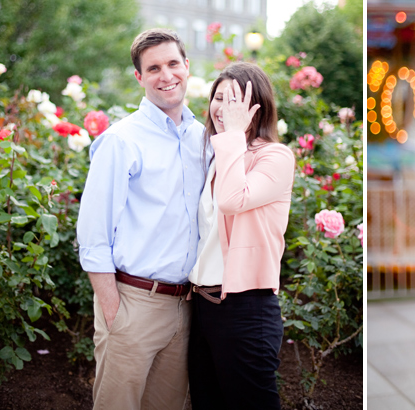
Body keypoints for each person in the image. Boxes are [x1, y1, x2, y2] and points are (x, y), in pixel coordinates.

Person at [76, 29, 205, 409]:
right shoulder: (122, 140)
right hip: (133, 302)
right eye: (153, 68)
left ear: (186, 67)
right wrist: (113, 309)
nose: (166, 75)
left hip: (185, 306)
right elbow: (93, 233)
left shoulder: (202, 138)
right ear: (140, 77)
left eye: (172, 64)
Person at [187, 62, 295, 409]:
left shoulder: (275, 157)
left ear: (255, 107)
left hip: (246, 308)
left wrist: (233, 135)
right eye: (218, 98)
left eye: (235, 100)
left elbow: (234, 201)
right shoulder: (218, 157)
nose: (224, 108)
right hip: (204, 307)